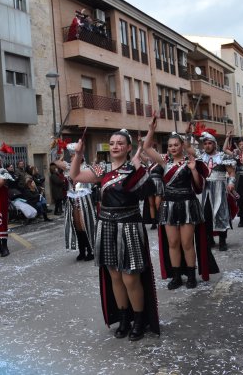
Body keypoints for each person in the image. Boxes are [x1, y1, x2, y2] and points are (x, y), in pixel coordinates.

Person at [69, 129, 159, 342]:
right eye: (112, 142)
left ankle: (139, 320)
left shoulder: (134, 168)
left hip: (129, 226)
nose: (115, 146)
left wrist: (140, 160)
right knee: (115, 276)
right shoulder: (103, 168)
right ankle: (124, 318)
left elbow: (147, 190)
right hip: (107, 226)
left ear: (128, 148)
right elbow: (75, 176)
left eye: (120, 143)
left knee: (130, 277)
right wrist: (78, 154)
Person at [143, 118, 212, 289]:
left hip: (187, 204)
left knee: (187, 243)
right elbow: (146, 148)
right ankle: (176, 276)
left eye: (176, 145)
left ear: (182, 146)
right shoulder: (164, 162)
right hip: (169, 206)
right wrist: (151, 130)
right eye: (170, 145)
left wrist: (194, 169)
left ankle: (190, 275)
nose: (173, 148)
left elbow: (198, 186)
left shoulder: (189, 162)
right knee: (172, 243)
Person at [55, 143, 96, 261]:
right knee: (76, 225)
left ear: (81, 157)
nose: (71, 158)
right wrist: (61, 156)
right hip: (73, 201)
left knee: (85, 225)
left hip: (85, 201)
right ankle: (82, 251)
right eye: (71, 156)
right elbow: (56, 163)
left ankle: (91, 250)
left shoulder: (87, 168)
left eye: (74, 155)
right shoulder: (69, 168)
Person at [198, 131, 236, 251]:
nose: (207, 146)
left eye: (210, 143)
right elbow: (188, 148)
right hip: (205, 190)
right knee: (206, 214)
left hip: (219, 189)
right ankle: (209, 239)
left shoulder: (222, 156)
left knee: (220, 214)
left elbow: (231, 172)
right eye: (205, 144)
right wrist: (188, 134)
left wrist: (230, 183)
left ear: (214, 144)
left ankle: (222, 240)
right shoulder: (201, 157)